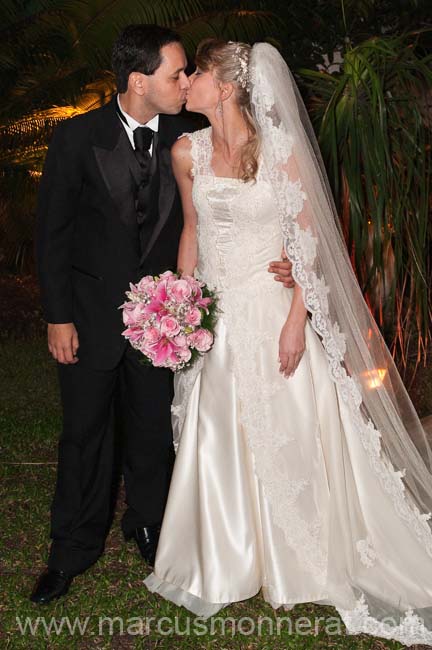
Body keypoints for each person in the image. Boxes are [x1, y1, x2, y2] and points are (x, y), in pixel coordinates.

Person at [143, 39, 432, 646]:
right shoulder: (185, 151)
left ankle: (299, 559)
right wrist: (179, 304)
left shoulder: (281, 152)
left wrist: (299, 316)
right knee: (219, 428)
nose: (187, 81)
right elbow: (192, 232)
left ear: (224, 89)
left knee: (289, 429)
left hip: (275, 311)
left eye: (197, 73)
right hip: (216, 318)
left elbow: (311, 244)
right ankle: (223, 558)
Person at [31, 26, 292, 605]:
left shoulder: (189, 135)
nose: (184, 82)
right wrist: (58, 316)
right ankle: (70, 550)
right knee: (83, 435)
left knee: (152, 431)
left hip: (164, 325)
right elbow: (52, 236)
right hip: (90, 319)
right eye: (176, 73)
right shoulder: (76, 138)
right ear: (138, 81)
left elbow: (239, 197)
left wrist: (286, 265)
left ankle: (150, 527)